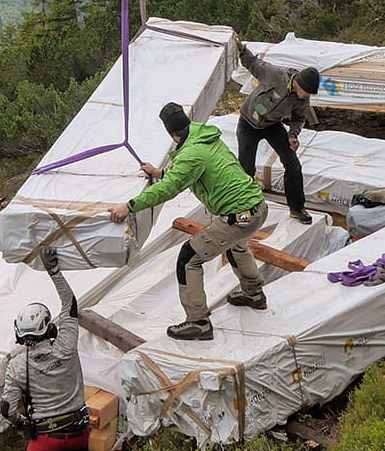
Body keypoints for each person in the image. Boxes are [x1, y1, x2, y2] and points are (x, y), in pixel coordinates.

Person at [107, 102, 268, 341]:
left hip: (239, 216)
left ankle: (198, 321)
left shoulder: (190, 154)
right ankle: (254, 294)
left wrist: (129, 206)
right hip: (257, 207)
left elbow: (169, 189)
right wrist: (160, 173)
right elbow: (186, 174)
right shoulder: (203, 135)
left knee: (188, 258)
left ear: (171, 133)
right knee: (236, 246)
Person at [0, 248, 90, 451]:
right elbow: (69, 303)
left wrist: (21, 424)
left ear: (20, 335)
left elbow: (7, 408)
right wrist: (54, 270)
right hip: (78, 432)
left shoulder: (17, 366)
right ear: (50, 329)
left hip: (45, 438)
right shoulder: (66, 346)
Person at [235, 46, 321, 224]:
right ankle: (242, 207)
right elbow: (253, 63)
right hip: (248, 124)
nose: (306, 96)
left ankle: (297, 208)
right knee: (246, 168)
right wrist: (241, 48)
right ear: (298, 83)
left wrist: (293, 135)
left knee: (293, 165)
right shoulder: (274, 74)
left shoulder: (302, 99)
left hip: (272, 125)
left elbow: (299, 117)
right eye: (306, 92)